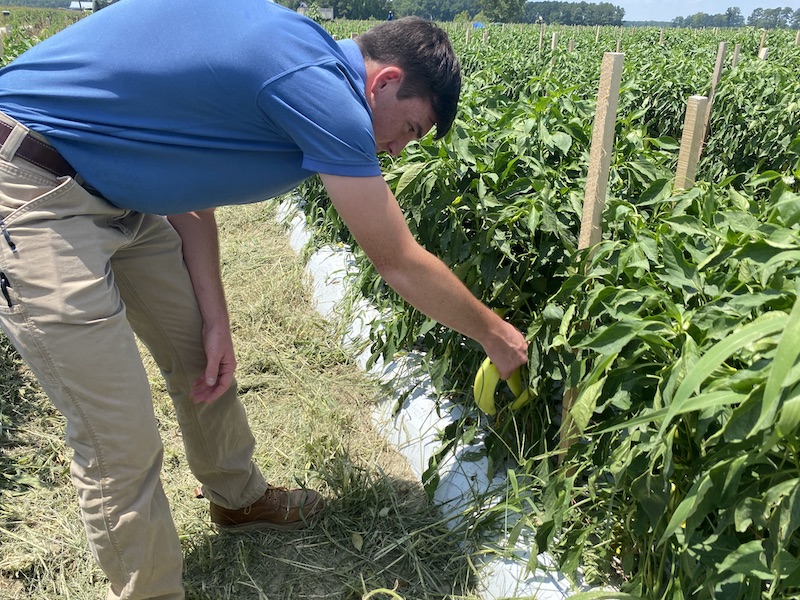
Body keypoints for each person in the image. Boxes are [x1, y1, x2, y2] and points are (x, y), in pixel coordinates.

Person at [0, 0, 529, 598]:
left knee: (201, 357)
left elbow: (189, 182)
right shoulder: (318, 87)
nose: (399, 150)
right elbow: (397, 260)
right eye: (409, 129)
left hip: (120, 191)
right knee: (116, 434)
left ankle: (238, 500)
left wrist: (216, 321)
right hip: (32, 183)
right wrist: (495, 333)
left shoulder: (302, 60)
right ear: (384, 82)